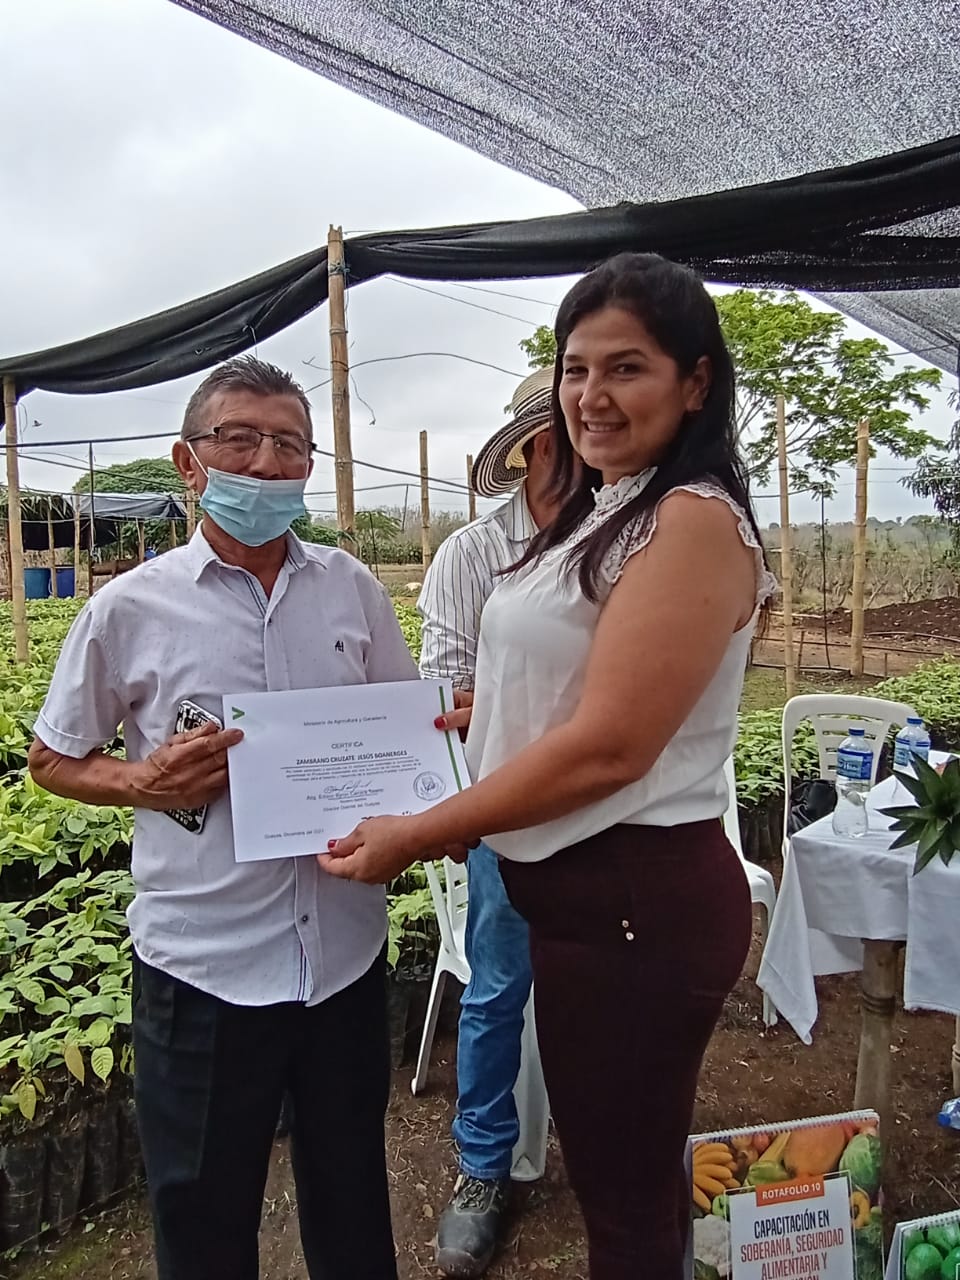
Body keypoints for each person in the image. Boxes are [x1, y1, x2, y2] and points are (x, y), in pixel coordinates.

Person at [318, 253, 777, 1280]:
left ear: (696, 382)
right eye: (576, 368)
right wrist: (483, 720)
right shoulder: (616, 507)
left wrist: (422, 829)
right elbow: (584, 689)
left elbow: (613, 744)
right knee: (627, 1181)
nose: (590, 395)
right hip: (587, 901)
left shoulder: (690, 518)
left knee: (624, 1208)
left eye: (626, 367)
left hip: (634, 905)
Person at [27, 356, 423, 1280]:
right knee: (203, 1221)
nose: (267, 461)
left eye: (289, 444)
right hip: (202, 970)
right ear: (189, 461)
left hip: (343, 959)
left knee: (353, 1204)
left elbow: (402, 729)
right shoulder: (128, 609)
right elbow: (51, 758)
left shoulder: (351, 591)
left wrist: (422, 794)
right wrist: (144, 782)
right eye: (239, 439)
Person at [418, 367, 563, 1278]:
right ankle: (482, 1166)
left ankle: (618, 1144)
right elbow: (445, 697)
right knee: (498, 984)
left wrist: (513, 706)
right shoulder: (472, 555)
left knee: (612, 981)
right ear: (536, 447)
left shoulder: (627, 540)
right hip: (507, 808)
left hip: (611, 810)